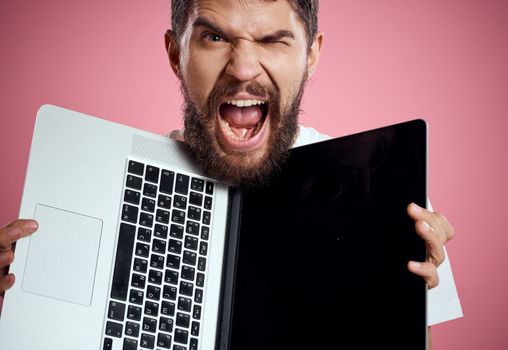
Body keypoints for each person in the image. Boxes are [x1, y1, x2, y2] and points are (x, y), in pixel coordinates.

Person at [0, 0, 461, 347]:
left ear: (311, 55)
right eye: (215, 38)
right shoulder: (107, 186)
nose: (242, 69)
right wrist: (14, 307)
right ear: (175, 54)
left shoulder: (388, 196)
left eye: (273, 40)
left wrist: (400, 305)